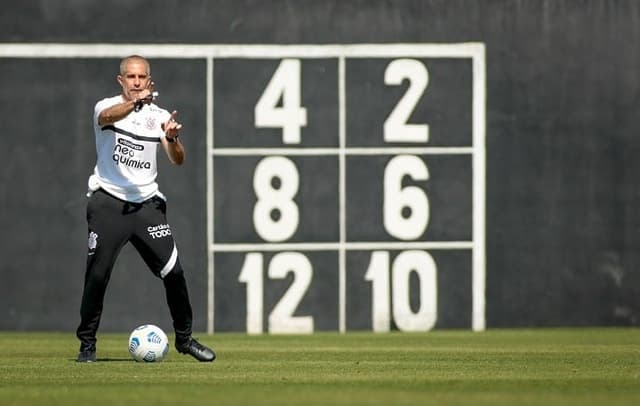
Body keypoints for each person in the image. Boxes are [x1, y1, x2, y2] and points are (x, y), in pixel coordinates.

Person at [76, 55, 215, 363]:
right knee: (97, 277)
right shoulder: (106, 106)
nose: (136, 82)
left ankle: (184, 339)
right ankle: (87, 344)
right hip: (108, 202)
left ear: (149, 80)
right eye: (130, 77)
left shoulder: (160, 115)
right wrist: (136, 104)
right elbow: (107, 118)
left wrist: (172, 138)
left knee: (174, 272)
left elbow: (177, 159)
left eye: (141, 78)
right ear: (120, 80)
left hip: (146, 206)